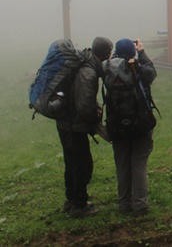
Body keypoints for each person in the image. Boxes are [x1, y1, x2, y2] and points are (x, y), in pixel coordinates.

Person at [58, 36, 112, 218]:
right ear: (106, 53)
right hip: (75, 126)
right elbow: (84, 106)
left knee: (71, 162)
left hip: (65, 122)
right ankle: (79, 205)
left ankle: (71, 199)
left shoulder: (84, 62)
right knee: (82, 165)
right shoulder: (88, 72)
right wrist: (96, 115)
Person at [103, 38, 157, 216]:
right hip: (141, 124)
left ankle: (124, 203)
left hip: (117, 125)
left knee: (122, 164)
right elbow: (152, 73)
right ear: (132, 51)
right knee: (138, 164)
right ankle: (140, 204)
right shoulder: (137, 67)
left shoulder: (106, 68)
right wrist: (141, 52)